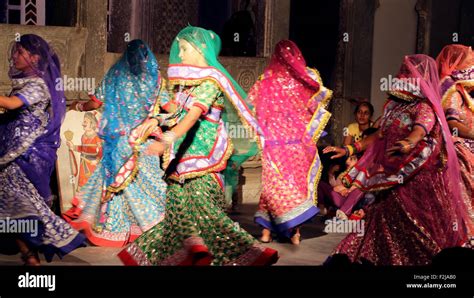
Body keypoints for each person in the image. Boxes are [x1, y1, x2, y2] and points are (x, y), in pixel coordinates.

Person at [118, 26, 278, 266]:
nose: (180, 55)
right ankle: (191, 256)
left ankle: (250, 256)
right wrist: (154, 119)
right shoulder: (188, 84)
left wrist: (168, 138)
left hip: (204, 159)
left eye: (184, 48)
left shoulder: (211, 81)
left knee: (207, 215)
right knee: (176, 214)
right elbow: (176, 110)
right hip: (181, 158)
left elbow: (192, 116)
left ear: (200, 49)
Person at [323, 54, 469, 265]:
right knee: (379, 222)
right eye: (404, 69)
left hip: (415, 179)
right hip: (390, 177)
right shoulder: (394, 106)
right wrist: (348, 149)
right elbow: (378, 135)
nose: (404, 73)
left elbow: (420, 130)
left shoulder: (424, 107)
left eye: (410, 70)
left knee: (415, 230)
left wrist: (408, 143)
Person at [62, 40, 168, 247]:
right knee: (147, 185)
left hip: (118, 141)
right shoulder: (156, 80)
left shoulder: (115, 75)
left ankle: (115, 229)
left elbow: (96, 102)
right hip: (143, 141)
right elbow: (170, 106)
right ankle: (154, 225)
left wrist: (78, 106)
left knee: (118, 187)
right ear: (147, 58)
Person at [0, 34, 85, 265]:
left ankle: (34, 252)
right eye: (15, 52)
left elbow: (12, 104)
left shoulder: (38, 85)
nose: (14, 57)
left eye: (20, 53)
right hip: (15, 153)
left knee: (17, 202)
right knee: (11, 204)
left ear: (35, 58)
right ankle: (29, 256)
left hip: (27, 156)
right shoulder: (26, 83)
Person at [248, 40, 332, 244]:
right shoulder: (306, 78)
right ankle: (295, 233)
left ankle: (266, 233)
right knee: (295, 185)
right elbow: (320, 100)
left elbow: (251, 105)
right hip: (298, 144)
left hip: (274, 144)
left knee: (272, 186)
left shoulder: (266, 80)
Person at [436, 44, 474, 238]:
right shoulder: (450, 86)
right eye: (470, 59)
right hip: (458, 151)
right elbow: (452, 123)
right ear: (458, 62)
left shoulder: (461, 88)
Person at [66, 112, 103, 190]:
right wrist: (73, 147)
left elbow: (101, 150)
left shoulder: (97, 137)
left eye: (85, 121)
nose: (83, 124)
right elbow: (83, 148)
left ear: (92, 123)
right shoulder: (83, 136)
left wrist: (97, 160)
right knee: (82, 183)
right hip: (83, 163)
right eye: (83, 121)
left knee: (92, 183)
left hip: (92, 163)